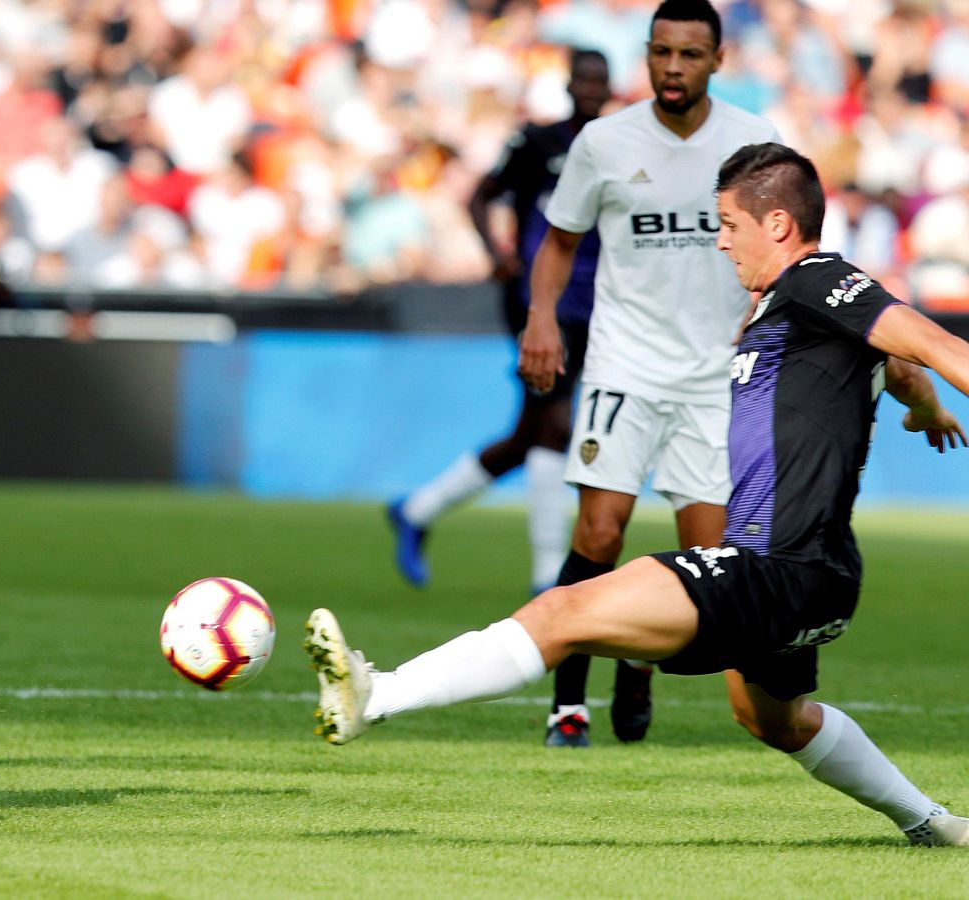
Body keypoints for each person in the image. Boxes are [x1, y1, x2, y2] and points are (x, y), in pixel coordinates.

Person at [305, 142, 969, 848]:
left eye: (728, 224)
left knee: (562, 612)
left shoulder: (817, 281)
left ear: (777, 224)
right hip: (816, 575)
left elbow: (926, 338)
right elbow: (897, 360)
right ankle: (933, 824)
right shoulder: (796, 305)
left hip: (774, 567)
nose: (719, 242)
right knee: (771, 719)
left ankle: (376, 696)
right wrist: (923, 409)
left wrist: (928, 386)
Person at [516, 0, 779, 747]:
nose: (672, 68)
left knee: (706, 559)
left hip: (714, 375)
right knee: (599, 533)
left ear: (718, 61)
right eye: (661, 52)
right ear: (647, 53)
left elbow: (785, 247)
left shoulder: (754, 142)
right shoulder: (604, 142)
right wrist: (540, 319)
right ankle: (568, 703)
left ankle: (637, 657)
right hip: (624, 365)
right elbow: (559, 242)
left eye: (689, 55)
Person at [387, 49, 611, 598]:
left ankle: (416, 510)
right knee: (555, 425)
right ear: (568, 85)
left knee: (529, 434)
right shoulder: (537, 143)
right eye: (582, 79)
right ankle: (546, 577)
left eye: (598, 81)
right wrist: (498, 255)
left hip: (596, 304)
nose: (589, 88)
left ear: (608, 88)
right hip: (539, 301)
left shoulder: (618, 148)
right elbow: (482, 195)